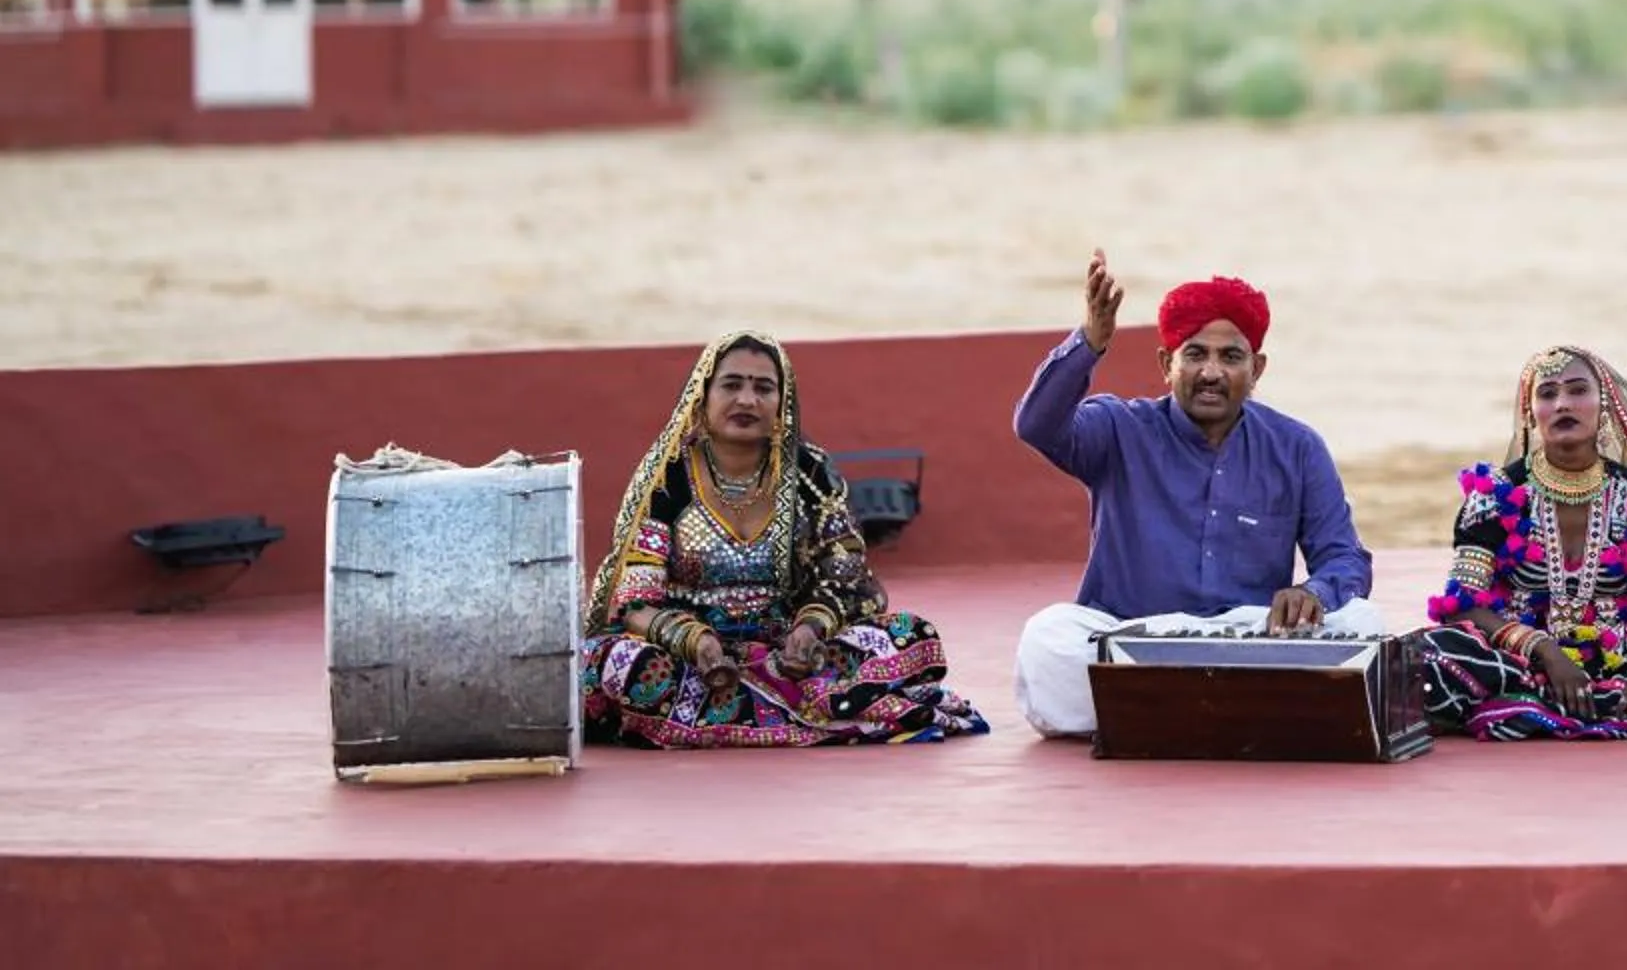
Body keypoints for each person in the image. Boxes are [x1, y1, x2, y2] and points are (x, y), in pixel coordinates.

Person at [1011, 250, 1384, 738]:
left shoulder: (1297, 447)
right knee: (1047, 638)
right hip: (1134, 640)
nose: (1211, 372)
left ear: (1258, 368)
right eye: (1195, 354)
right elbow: (1036, 425)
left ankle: (1164, 710)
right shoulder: (1119, 427)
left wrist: (1311, 593)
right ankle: (1234, 709)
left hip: (1251, 640)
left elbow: (1345, 559)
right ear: (1167, 363)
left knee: (1364, 619)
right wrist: (1089, 343)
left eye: (1230, 357)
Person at [578, 331, 991, 748]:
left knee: (913, 635)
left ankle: (733, 713)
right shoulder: (667, 477)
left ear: (782, 403)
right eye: (732, 384)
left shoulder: (810, 472)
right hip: (688, 657)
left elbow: (845, 574)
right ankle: (819, 709)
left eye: (763, 388)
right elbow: (633, 600)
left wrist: (810, 629)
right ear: (702, 395)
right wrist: (695, 640)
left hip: (786, 651)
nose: (746, 400)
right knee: (627, 665)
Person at [1415, 345, 1627, 740]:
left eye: (1578, 391)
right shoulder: (1496, 496)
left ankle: (1552, 711)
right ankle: (1603, 710)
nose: (1563, 403)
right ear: (1530, 412)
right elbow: (1464, 604)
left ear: (1605, 406)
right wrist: (1545, 651)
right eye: (1547, 394)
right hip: (1524, 666)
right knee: (1435, 654)